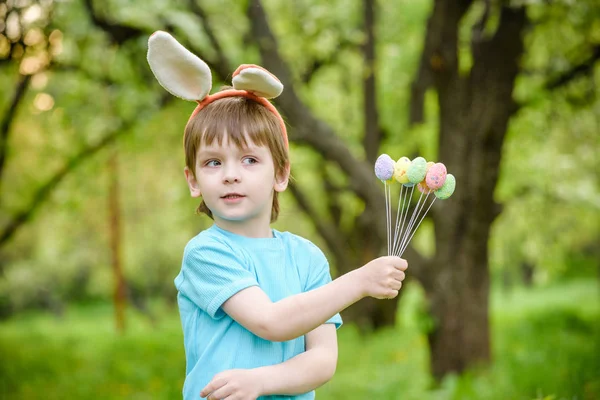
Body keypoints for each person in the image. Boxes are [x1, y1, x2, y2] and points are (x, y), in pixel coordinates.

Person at [147, 31, 408, 400]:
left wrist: (260, 382)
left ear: (281, 174)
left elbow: (321, 361)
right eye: (213, 162)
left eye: (250, 159)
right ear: (193, 180)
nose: (231, 174)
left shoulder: (307, 258)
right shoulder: (206, 254)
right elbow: (270, 321)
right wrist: (360, 282)